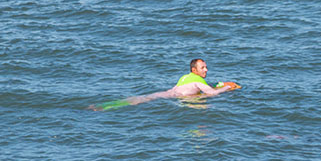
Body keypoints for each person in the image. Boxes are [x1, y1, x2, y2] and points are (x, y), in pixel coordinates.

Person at [100, 58, 240, 108]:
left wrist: (217, 86)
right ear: (194, 69)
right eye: (203, 67)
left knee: (139, 99)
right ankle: (106, 107)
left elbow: (206, 89)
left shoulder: (186, 77)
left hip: (166, 94)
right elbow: (213, 94)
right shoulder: (198, 81)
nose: (206, 70)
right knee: (139, 101)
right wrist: (228, 87)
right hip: (170, 98)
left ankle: (105, 106)